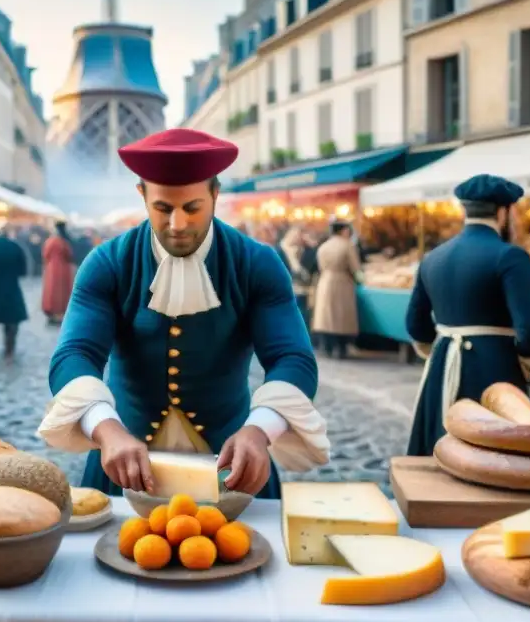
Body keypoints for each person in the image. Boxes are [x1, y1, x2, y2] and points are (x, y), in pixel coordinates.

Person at [38, 128, 329, 500]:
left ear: (215, 194)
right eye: (163, 209)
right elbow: (74, 355)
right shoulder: (107, 263)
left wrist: (259, 430)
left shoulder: (257, 263)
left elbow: (292, 358)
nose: (177, 224)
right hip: (123, 463)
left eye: (192, 208)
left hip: (232, 466)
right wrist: (107, 430)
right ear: (142, 195)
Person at [405, 174, 530, 456]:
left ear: (465, 209)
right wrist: (521, 360)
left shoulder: (433, 257)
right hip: (494, 372)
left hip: (441, 367)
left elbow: (415, 325)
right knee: (497, 460)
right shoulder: (510, 256)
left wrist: (440, 349)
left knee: (440, 455)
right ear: (503, 212)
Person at [312, 219, 362, 358]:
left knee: (326, 316)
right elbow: (356, 268)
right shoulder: (347, 245)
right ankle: (341, 348)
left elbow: (320, 267)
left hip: (325, 281)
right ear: (344, 231)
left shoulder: (323, 246)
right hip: (342, 282)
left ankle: (327, 347)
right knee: (341, 317)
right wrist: (362, 279)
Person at [0, 220, 29, 358]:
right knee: (12, 320)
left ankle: (3, 345)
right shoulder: (15, 247)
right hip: (12, 286)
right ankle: (10, 346)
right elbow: (23, 270)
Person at [277, 227, 313, 327]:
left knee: (303, 316)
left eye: (298, 236)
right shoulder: (279, 250)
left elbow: (310, 266)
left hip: (302, 289)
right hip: (286, 289)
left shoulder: (303, 250)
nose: (297, 238)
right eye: (294, 235)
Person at [41, 219, 75, 326]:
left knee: (51, 291)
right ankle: (61, 313)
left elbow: (45, 254)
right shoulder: (65, 242)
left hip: (51, 269)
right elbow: (70, 255)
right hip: (64, 269)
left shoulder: (50, 241)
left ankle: (51, 312)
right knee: (62, 291)